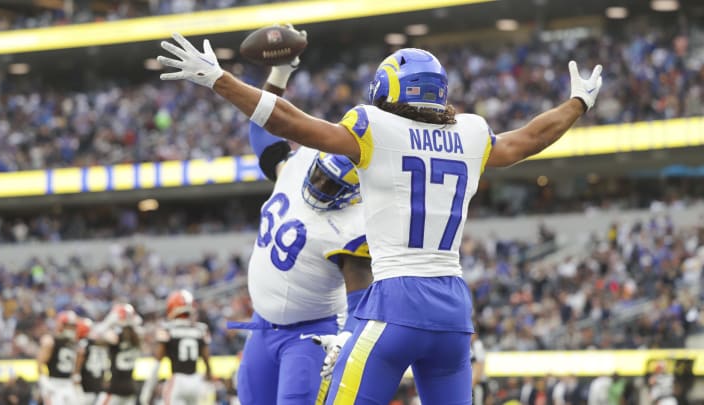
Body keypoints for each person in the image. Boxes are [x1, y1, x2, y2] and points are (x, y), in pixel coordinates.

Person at [158, 32, 602, 404]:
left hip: (393, 306)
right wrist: (578, 102)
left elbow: (289, 123)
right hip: (452, 309)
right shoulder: (470, 133)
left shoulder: (374, 129)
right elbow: (527, 140)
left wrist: (220, 80)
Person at [219, 26, 372, 405]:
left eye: (333, 184)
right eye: (321, 175)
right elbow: (263, 133)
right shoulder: (297, 167)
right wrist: (280, 75)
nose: (321, 185)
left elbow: (363, 304)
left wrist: (346, 341)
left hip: (310, 334)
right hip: (262, 329)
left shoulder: (352, 226)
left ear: (351, 193)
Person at [139, 290, 213, 405]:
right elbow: (207, 359)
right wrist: (208, 381)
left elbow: (158, 361)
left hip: (177, 381)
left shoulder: (167, 328)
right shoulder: (201, 329)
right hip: (195, 381)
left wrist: (148, 390)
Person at [94, 303, 142, 405]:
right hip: (130, 386)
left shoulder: (115, 337)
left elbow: (95, 336)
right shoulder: (137, 337)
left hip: (115, 386)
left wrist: (108, 322)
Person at [37, 310, 79, 404]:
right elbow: (39, 363)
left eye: (73, 326)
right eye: (69, 326)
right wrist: (43, 380)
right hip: (54, 383)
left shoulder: (74, 343)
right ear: (61, 325)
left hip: (68, 383)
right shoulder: (52, 341)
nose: (71, 329)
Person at [73, 317, 108, 405]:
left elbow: (80, 356)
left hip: (86, 383)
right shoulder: (101, 343)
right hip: (99, 381)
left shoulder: (83, 343)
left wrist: (76, 375)